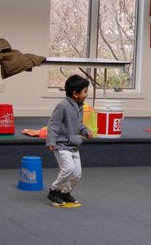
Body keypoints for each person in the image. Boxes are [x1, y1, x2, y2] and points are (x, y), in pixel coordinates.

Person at [46, 74, 93, 206]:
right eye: (85, 91)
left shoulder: (80, 107)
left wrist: (85, 131)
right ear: (75, 93)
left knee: (77, 174)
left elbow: (79, 125)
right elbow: (53, 124)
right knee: (68, 169)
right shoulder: (62, 106)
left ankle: (65, 193)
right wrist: (51, 141)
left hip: (73, 145)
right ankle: (54, 191)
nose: (87, 94)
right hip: (61, 145)